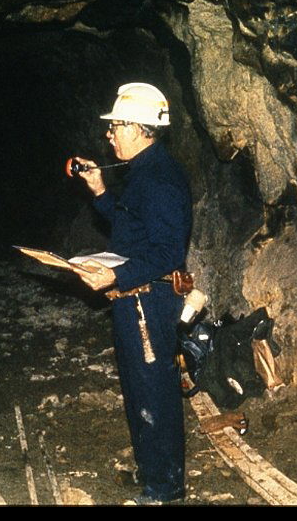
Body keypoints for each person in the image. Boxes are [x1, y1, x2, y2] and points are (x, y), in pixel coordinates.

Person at [71, 83, 192, 504]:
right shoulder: (143, 172)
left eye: (116, 126)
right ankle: (152, 474)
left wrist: (113, 279)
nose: (110, 134)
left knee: (154, 390)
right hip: (133, 298)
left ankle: (165, 489)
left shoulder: (159, 178)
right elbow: (130, 234)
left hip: (149, 302)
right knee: (139, 390)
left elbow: (167, 252)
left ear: (142, 129)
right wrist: (102, 192)